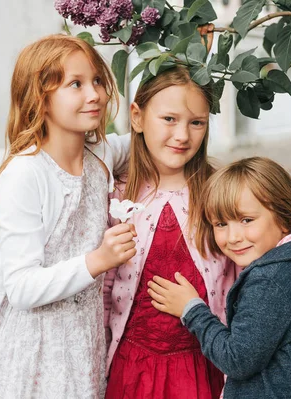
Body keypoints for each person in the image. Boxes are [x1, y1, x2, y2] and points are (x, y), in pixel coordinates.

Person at [0, 34, 134, 398]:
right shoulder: (26, 174)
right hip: (34, 346)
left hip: (83, 339)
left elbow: (148, 139)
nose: (94, 94)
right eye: (75, 84)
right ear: (41, 99)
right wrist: (98, 260)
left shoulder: (100, 156)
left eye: (97, 80)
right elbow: (20, 287)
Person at [148, 157, 291, 398]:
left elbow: (237, 358)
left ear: (284, 217)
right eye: (221, 224)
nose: (233, 237)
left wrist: (192, 309)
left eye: (246, 220)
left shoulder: (270, 282)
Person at [103, 66, 240, 399]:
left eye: (196, 122)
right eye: (169, 119)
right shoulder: (118, 196)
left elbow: (242, 276)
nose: (182, 135)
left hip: (199, 368)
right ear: (137, 117)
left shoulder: (219, 192)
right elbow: (104, 291)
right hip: (132, 368)